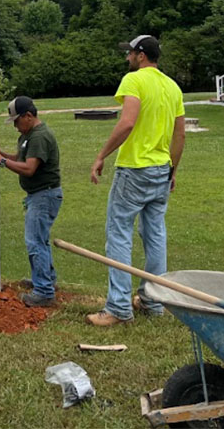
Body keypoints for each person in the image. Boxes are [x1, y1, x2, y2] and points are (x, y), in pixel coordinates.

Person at [86, 35, 185, 327]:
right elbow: (180, 135)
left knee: (119, 233)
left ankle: (118, 307)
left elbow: (127, 122)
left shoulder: (134, 81)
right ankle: (153, 301)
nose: (127, 57)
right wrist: (172, 170)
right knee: (155, 235)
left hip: (134, 170)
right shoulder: (172, 87)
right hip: (160, 170)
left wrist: (101, 155)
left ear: (141, 55)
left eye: (130, 53)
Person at [0, 96, 62, 307]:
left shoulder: (39, 137)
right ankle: (46, 281)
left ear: (29, 116)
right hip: (39, 195)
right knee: (40, 239)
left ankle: (43, 292)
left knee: (35, 242)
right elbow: (21, 158)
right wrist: (3, 155)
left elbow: (29, 168)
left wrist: (2, 161)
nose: (15, 126)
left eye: (17, 121)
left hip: (44, 195)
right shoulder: (29, 135)